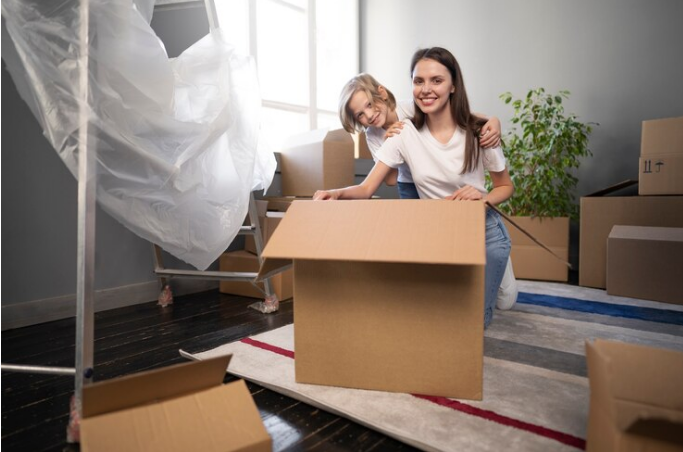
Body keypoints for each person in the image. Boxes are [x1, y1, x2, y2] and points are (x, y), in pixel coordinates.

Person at [314, 47, 514, 328]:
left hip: (484, 226)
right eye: (419, 81)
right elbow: (371, 186)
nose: (426, 89)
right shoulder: (394, 135)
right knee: (449, 315)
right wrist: (335, 192)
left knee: (501, 302)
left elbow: (504, 184)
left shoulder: (475, 131)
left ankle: (499, 270)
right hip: (427, 202)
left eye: (436, 81)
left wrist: (482, 196)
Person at [338, 73, 502, 199]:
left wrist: (494, 121)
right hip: (408, 184)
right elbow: (391, 180)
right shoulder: (373, 135)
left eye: (369, 104)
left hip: (432, 177)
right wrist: (389, 145)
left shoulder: (411, 109)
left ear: (382, 93)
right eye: (360, 115)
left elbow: (463, 117)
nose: (369, 115)